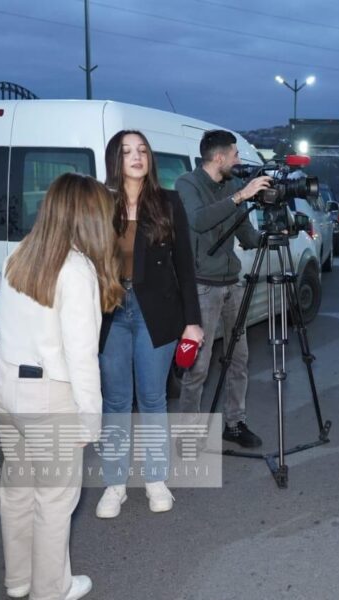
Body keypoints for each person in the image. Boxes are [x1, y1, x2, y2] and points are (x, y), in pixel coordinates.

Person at [0, 173, 124, 600]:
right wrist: (91, 420)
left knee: (16, 488)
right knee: (54, 499)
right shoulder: (77, 269)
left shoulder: (19, 254)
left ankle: (19, 581)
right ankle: (51, 590)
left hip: (4, 384)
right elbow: (82, 357)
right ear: (88, 217)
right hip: (49, 394)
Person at [96, 130, 203, 519]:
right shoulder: (100, 203)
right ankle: (115, 484)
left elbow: (186, 268)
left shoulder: (168, 202)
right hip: (111, 311)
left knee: (154, 398)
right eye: (127, 151)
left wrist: (193, 322)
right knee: (116, 401)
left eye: (142, 150)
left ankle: (156, 479)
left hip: (156, 312)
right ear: (115, 159)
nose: (136, 157)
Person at [175, 129, 274, 450]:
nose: (238, 160)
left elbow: (245, 234)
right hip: (203, 287)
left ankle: (235, 423)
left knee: (239, 359)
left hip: (232, 284)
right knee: (198, 366)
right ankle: (188, 434)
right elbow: (198, 221)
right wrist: (240, 196)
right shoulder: (188, 184)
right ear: (218, 157)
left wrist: (273, 235)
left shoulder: (231, 186)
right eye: (234, 155)